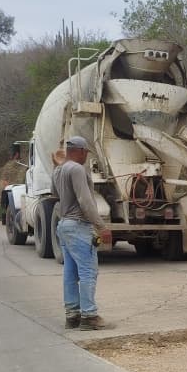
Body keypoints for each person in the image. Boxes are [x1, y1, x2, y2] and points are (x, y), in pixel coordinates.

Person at [51, 136, 111, 330]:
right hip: (78, 226)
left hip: (64, 225)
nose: (86, 156)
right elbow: (85, 201)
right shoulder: (77, 169)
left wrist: (58, 169)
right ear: (80, 151)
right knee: (88, 272)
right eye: (86, 152)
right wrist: (101, 227)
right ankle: (89, 316)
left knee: (70, 273)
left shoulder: (59, 169)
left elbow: (55, 194)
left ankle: (72, 316)